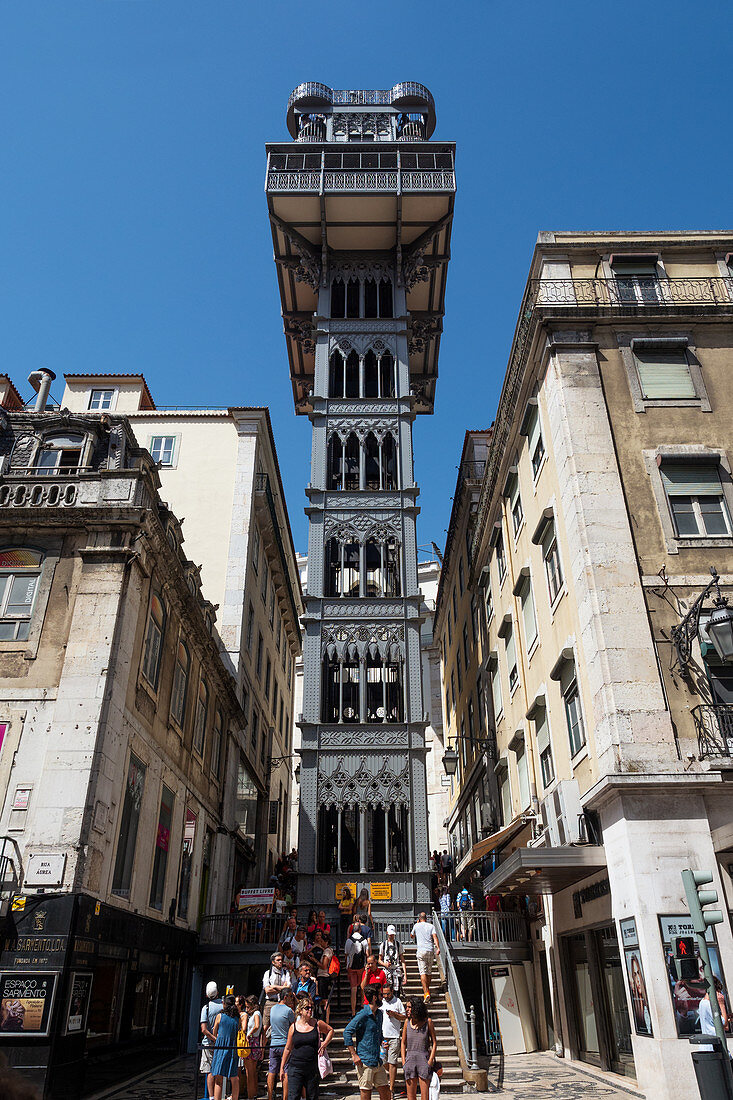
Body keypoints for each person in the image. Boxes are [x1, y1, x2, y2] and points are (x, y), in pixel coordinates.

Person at [280, 995, 333, 1100]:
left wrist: (324, 1043)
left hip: (312, 1068)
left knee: (312, 1097)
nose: (310, 1010)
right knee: (293, 1096)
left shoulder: (317, 1024)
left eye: (311, 1008)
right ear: (300, 1010)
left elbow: (331, 1030)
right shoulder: (293, 1027)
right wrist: (282, 1068)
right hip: (295, 1068)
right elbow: (287, 1048)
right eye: (307, 1008)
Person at [343, 985, 391, 1100]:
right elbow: (347, 1032)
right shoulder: (363, 1014)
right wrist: (354, 1055)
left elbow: (379, 1033)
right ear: (374, 998)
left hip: (377, 1060)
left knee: (386, 1092)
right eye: (380, 995)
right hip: (365, 1061)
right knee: (366, 1094)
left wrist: (383, 1042)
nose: (382, 997)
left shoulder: (379, 1014)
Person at [401, 999, 437, 1100]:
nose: (406, 1009)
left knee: (424, 1097)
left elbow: (434, 1042)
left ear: (416, 1008)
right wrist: (404, 1061)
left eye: (409, 1007)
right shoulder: (407, 1022)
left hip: (424, 1060)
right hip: (410, 1060)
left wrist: (430, 1060)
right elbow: (403, 1043)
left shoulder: (428, 1022)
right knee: (410, 1097)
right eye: (406, 1007)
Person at [210, 994, 241, 1100]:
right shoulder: (237, 1018)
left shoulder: (220, 1016)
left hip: (221, 1048)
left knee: (219, 1079)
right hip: (232, 1049)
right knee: (234, 1077)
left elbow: (214, 1033)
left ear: (224, 1004)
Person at [267, 989, 296, 1100]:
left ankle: (270, 1097)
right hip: (284, 1044)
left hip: (273, 1044)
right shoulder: (289, 1011)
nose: (291, 999)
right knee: (286, 1071)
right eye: (290, 997)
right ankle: (285, 1097)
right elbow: (293, 1027)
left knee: (272, 1071)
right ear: (285, 997)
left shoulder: (273, 1009)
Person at [380, 978, 406, 1099]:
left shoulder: (398, 1001)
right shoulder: (381, 1002)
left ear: (392, 992)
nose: (385, 996)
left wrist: (394, 1014)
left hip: (394, 1036)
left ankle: (391, 1088)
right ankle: (390, 1077)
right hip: (382, 1036)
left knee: (393, 1061)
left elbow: (404, 1017)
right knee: (383, 1061)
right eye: (384, 994)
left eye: (387, 993)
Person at [200, 980, 224, 1100]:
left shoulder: (206, 1008)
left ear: (206, 995)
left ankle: (211, 1096)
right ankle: (220, 1095)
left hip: (208, 1044)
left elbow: (204, 1029)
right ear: (218, 992)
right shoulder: (224, 1006)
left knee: (209, 1071)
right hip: (222, 1044)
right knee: (219, 1070)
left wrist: (213, 1038)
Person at [410, 913, 439, 1003]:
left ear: (419, 918)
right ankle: (427, 991)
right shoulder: (431, 926)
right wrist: (437, 948)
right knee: (429, 972)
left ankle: (426, 992)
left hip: (421, 951)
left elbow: (412, 936)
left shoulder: (416, 925)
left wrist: (417, 925)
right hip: (430, 950)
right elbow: (435, 937)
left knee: (422, 972)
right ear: (426, 918)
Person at [240, 994, 263, 1100]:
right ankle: (253, 1094)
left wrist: (249, 1034)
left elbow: (257, 1025)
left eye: (248, 1006)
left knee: (250, 1073)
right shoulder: (256, 1013)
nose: (247, 1009)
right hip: (255, 1043)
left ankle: (250, 1095)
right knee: (252, 1072)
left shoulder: (256, 1014)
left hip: (252, 1042)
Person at [263, 952, 293, 1032]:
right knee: (265, 1027)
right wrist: (283, 988)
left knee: (284, 1025)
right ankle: (263, 1044)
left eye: (281, 960)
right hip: (270, 1002)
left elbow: (288, 988)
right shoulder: (268, 973)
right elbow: (267, 991)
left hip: (282, 1002)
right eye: (278, 960)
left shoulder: (286, 973)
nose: (280, 962)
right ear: (273, 962)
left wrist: (274, 986)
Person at [698, 977, 729, 1050]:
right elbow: (724, 1024)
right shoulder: (709, 1004)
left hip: (708, 1047)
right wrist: (722, 1004)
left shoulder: (702, 1002)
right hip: (714, 1047)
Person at [346, 927, 368, 1015]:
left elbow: (346, 954)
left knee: (353, 989)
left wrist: (346, 965)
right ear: (360, 930)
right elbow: (367, 954)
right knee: (362, 988)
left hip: (351, 967)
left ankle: (353, 1012)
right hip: (361, 967)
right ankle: (362, 1007)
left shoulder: (349, 940)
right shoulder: (364, 940)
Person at [379, 925, 407, 997]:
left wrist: (405, 975)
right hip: (387, 971)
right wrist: (385, 964)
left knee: (396, 992)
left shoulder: (398, 944)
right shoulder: (383, 945)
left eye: (392, 935)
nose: (391, 936)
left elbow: (402, 960)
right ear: (387, 933)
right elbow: (379, 960)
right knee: (386, 991)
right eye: (390, 934)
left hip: (396, 970)